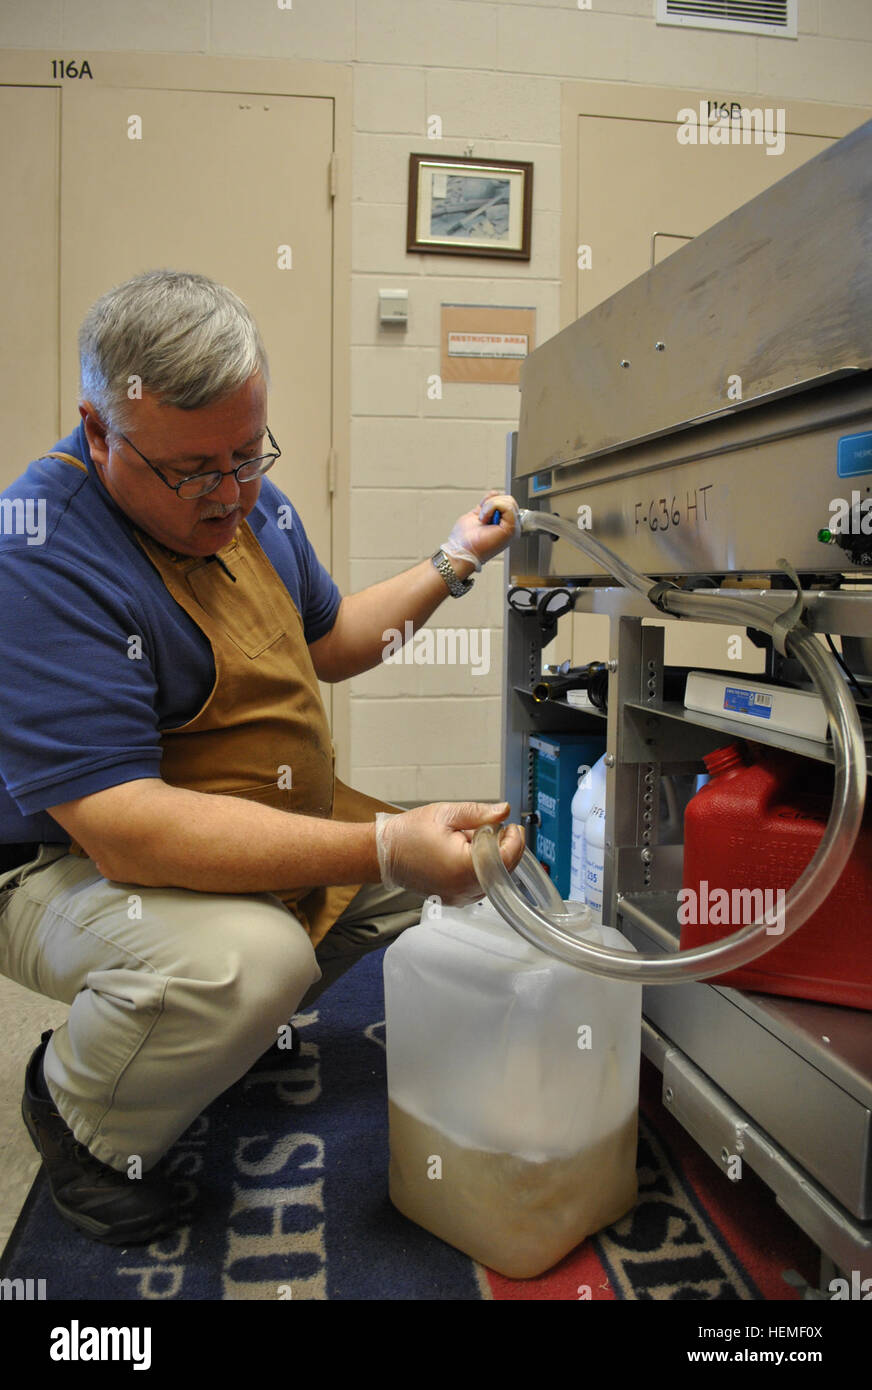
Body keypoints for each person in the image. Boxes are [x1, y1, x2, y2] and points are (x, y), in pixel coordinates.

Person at [0, 269, 525, 1246]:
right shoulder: (37, 552)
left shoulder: (252, 504)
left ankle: (207, 1039)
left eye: (249, 454)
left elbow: (329, 640)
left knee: (464, 881)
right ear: (100, 429)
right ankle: (75, 1111)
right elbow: (121, 828)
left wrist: (453, 560)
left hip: (202, 810)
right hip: (51, 861)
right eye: (194, 471)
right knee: (248, 963)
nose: (232, 492)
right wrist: (379, 845)